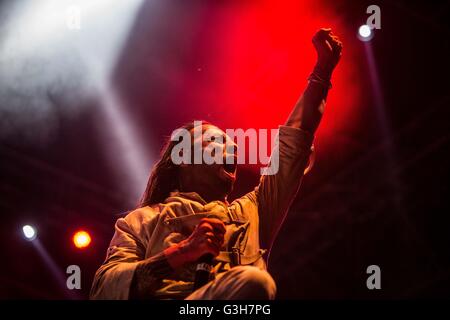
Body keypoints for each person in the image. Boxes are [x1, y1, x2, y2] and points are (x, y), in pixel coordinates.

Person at [90, 28, 342, 300]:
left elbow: (292, 148)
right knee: (253, 281)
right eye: (215, 141)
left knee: (253, 283)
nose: (233, 146)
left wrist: (321, 74)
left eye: (232, 143)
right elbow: (103, 290)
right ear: (184, 158)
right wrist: (184, 251)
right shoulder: (141, 221)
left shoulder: (253, 212)